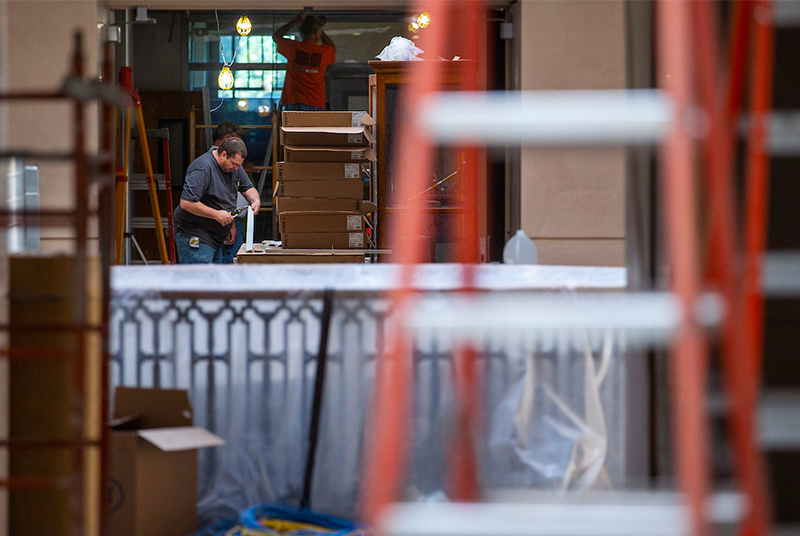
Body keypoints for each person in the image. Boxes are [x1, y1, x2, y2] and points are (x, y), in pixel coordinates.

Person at [174, 137, 260, 264]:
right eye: (234, 164)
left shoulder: (235, 167)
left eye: (239, 165)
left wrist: (255, 200)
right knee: (199, 281)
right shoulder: (203, 168)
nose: (236, 168)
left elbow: (247, 187)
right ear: (224, 155)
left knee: (214, 281)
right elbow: (187, 203)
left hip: (216, 237)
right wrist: (217, 214)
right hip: (196, 233)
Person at [273, 10, 336, 111]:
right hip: (316, 102)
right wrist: (319, 29)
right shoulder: (324, 52)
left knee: (292, 127)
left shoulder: (293, 48)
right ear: (316, 34)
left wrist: (296, 21)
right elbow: (331, 47)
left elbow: (276, 36)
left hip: (293, 101)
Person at [211, 122, 250, 262]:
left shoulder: (223, 162)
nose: (241, 142)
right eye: (237, 138)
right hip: (225, 221)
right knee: (229, 268)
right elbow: (219, 194)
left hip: (229, 220)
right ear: (228, 137)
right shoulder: (217, 163)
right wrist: (230, 221)